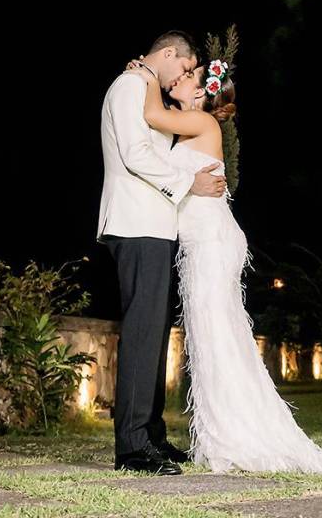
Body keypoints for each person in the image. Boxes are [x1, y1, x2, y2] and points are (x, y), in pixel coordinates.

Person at [126, 55, 322, 474]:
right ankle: (226, 434)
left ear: (200, 93)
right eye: (181, 75)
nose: (177, 81)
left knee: (218, 339)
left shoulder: (203, 124)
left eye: (186, 77)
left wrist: (146, 72)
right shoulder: (186, 132)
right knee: (212, 341)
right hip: (204, 245)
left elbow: (150, 112)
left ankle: (241, 435)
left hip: (212, 245)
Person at [98, 29, 227, 475]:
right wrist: (188, 182)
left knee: (153, 335)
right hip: (136, 224)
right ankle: (132, 447)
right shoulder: (129, 85)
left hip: (154, 225)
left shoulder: (144, 87)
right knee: (142, 333)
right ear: (170, 54)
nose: (185, 76)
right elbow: (134, 154)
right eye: (187, 68)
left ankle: (151, 435)